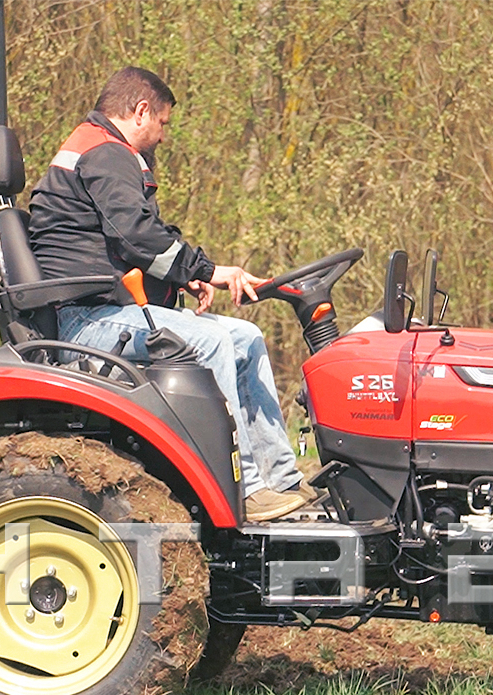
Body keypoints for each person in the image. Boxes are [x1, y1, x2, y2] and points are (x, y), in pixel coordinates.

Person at [28, 66, 312, 522]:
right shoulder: (105, 152)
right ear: (140, 111)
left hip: (107, 308)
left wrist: (181, 278)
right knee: (211, 341)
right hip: (86, 320)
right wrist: (207, 271)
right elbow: (136, 235)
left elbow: (128, 241)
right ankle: (245, 490)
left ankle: (283, 480)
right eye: (162, 123)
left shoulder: (98, 149)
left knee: (245, 338)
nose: (163, 135)